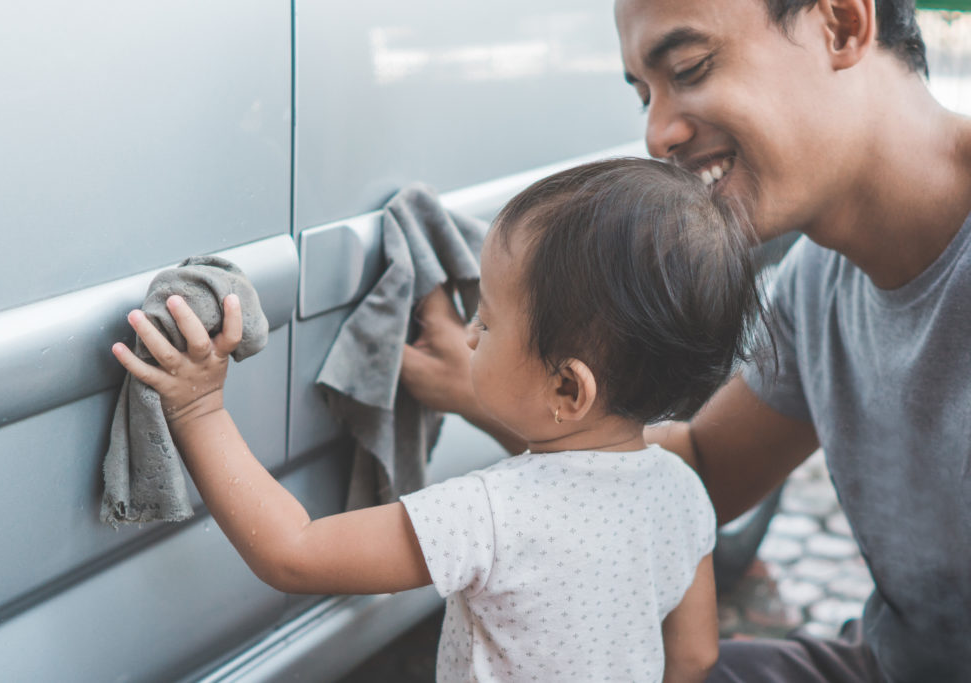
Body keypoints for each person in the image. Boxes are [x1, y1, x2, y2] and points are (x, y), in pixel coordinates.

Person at [401, 0, 971, 681]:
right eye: (646, 93)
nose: (657, 133)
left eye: (689, 68)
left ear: (841, 25)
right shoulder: (818, 282)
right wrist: (493, 376)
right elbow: (697, 470)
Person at [112, 157, 765, 682]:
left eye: (488, 318)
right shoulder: (683, 491)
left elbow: (295, 551)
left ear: (567, 388)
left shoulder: (491, 513)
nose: (470, 334)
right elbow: (693, 657)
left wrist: (199, 406)